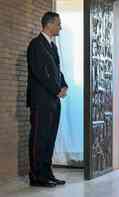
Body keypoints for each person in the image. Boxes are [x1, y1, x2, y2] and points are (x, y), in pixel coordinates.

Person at [27, 11, 68, 187]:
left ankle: (47, 172)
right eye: (58, 24)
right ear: (49, 24)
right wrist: (56, 89)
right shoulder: (36, 44)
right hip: (41, 100)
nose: (60, 27)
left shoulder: (52, 46)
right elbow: (39, 73)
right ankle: (36, 176)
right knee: (39, 137)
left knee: (50, 137)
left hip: (53, 100)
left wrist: (64, 84)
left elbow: (57, 70)